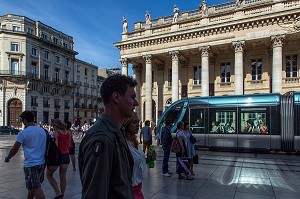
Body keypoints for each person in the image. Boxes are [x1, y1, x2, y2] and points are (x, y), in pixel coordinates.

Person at [78, 74, 138, 199]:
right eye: (132, 97)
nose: (136, 103)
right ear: (116, 97)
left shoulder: (116, 131)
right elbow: (94, 194)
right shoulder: (102, 138)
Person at [4, 110, 47, 199]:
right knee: (32, 187)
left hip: (31, 164)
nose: (22, 122)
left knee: (36, 188)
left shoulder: (23, 133)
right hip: (42, 163)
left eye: (22, 120)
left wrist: (8, 157)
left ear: (25, 120)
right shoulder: (42, 131)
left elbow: (15, 148)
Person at [46, 119, 72, 199]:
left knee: (49, 174)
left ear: (55, 125)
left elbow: (56, 147)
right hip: (66, 155)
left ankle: (58, 192)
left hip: (58, 156)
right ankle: (62, 194)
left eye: (53, 125)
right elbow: (69, 144)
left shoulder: (56, 133)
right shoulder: (68, 133)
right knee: (63, 176)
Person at [124, 113, 147, 199]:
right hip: (129, 190)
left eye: (138, 122)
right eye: (134, 122)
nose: (138, 125)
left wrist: (147, 159)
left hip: (138, 188)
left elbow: (136, 161)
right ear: (126, 124)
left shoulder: (135, 143)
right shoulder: (123, 145)